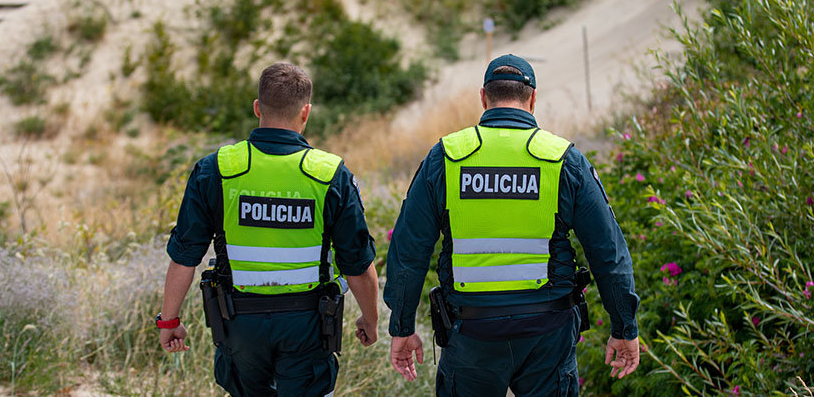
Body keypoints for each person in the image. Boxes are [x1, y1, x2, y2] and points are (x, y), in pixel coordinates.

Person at [384, 54, 641, 396]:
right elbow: (608, 252)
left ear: (483, 98)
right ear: (533, 99)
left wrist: (402, 327)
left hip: (471, 332)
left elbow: (409, 250)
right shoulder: (563, 159)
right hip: (547, 333)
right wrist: (624, 327)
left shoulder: (446, 157)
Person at [157, 62, 379, 397]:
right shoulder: (330, 174)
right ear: (306, 112)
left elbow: (185, 257)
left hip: (238, 325)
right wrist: (370, 320)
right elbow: (357, 265)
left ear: (258, 108)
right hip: (308, 326)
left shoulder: (216, 169)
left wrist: (169, 322)